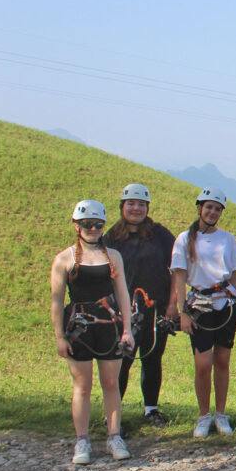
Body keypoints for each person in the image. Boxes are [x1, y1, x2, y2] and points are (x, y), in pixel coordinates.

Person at [50, 201, 136, 464]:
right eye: (88, 224)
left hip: (108, 326)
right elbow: (56, 300)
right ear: (77, 226)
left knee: (111, 384)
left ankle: (114, 436)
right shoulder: (64, 259)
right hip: (79, 328)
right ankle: (82, 441)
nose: (93, 229)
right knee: (82, 386)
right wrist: (59, 337)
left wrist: (127, 330)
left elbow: (122, 293)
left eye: (98, 225)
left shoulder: (113, 256)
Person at [171, 188, 236, 438]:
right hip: (199, 305)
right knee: (203, 364)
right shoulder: (184, 239)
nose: (212, 212)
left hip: (226, 304)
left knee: (223, 361)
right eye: (209, 207)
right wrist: (182, 312)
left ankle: (221, 414)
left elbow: (235, 275)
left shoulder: (228, 239)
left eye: (217, 208)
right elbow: (180, 275)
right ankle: (204, 415)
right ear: (199, 208)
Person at [102, 183, 176, 428]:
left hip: (156, 307)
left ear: (147, 207)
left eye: (141, 204)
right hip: (125, 311)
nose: (136, 209)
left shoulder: (160, 235)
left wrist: (172, 306)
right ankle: (114, 414)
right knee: (122, 361)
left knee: (153, 359)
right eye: (131, 204)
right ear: (122, 206)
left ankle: (151, 410)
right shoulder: (111, 238)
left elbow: (177, 269)